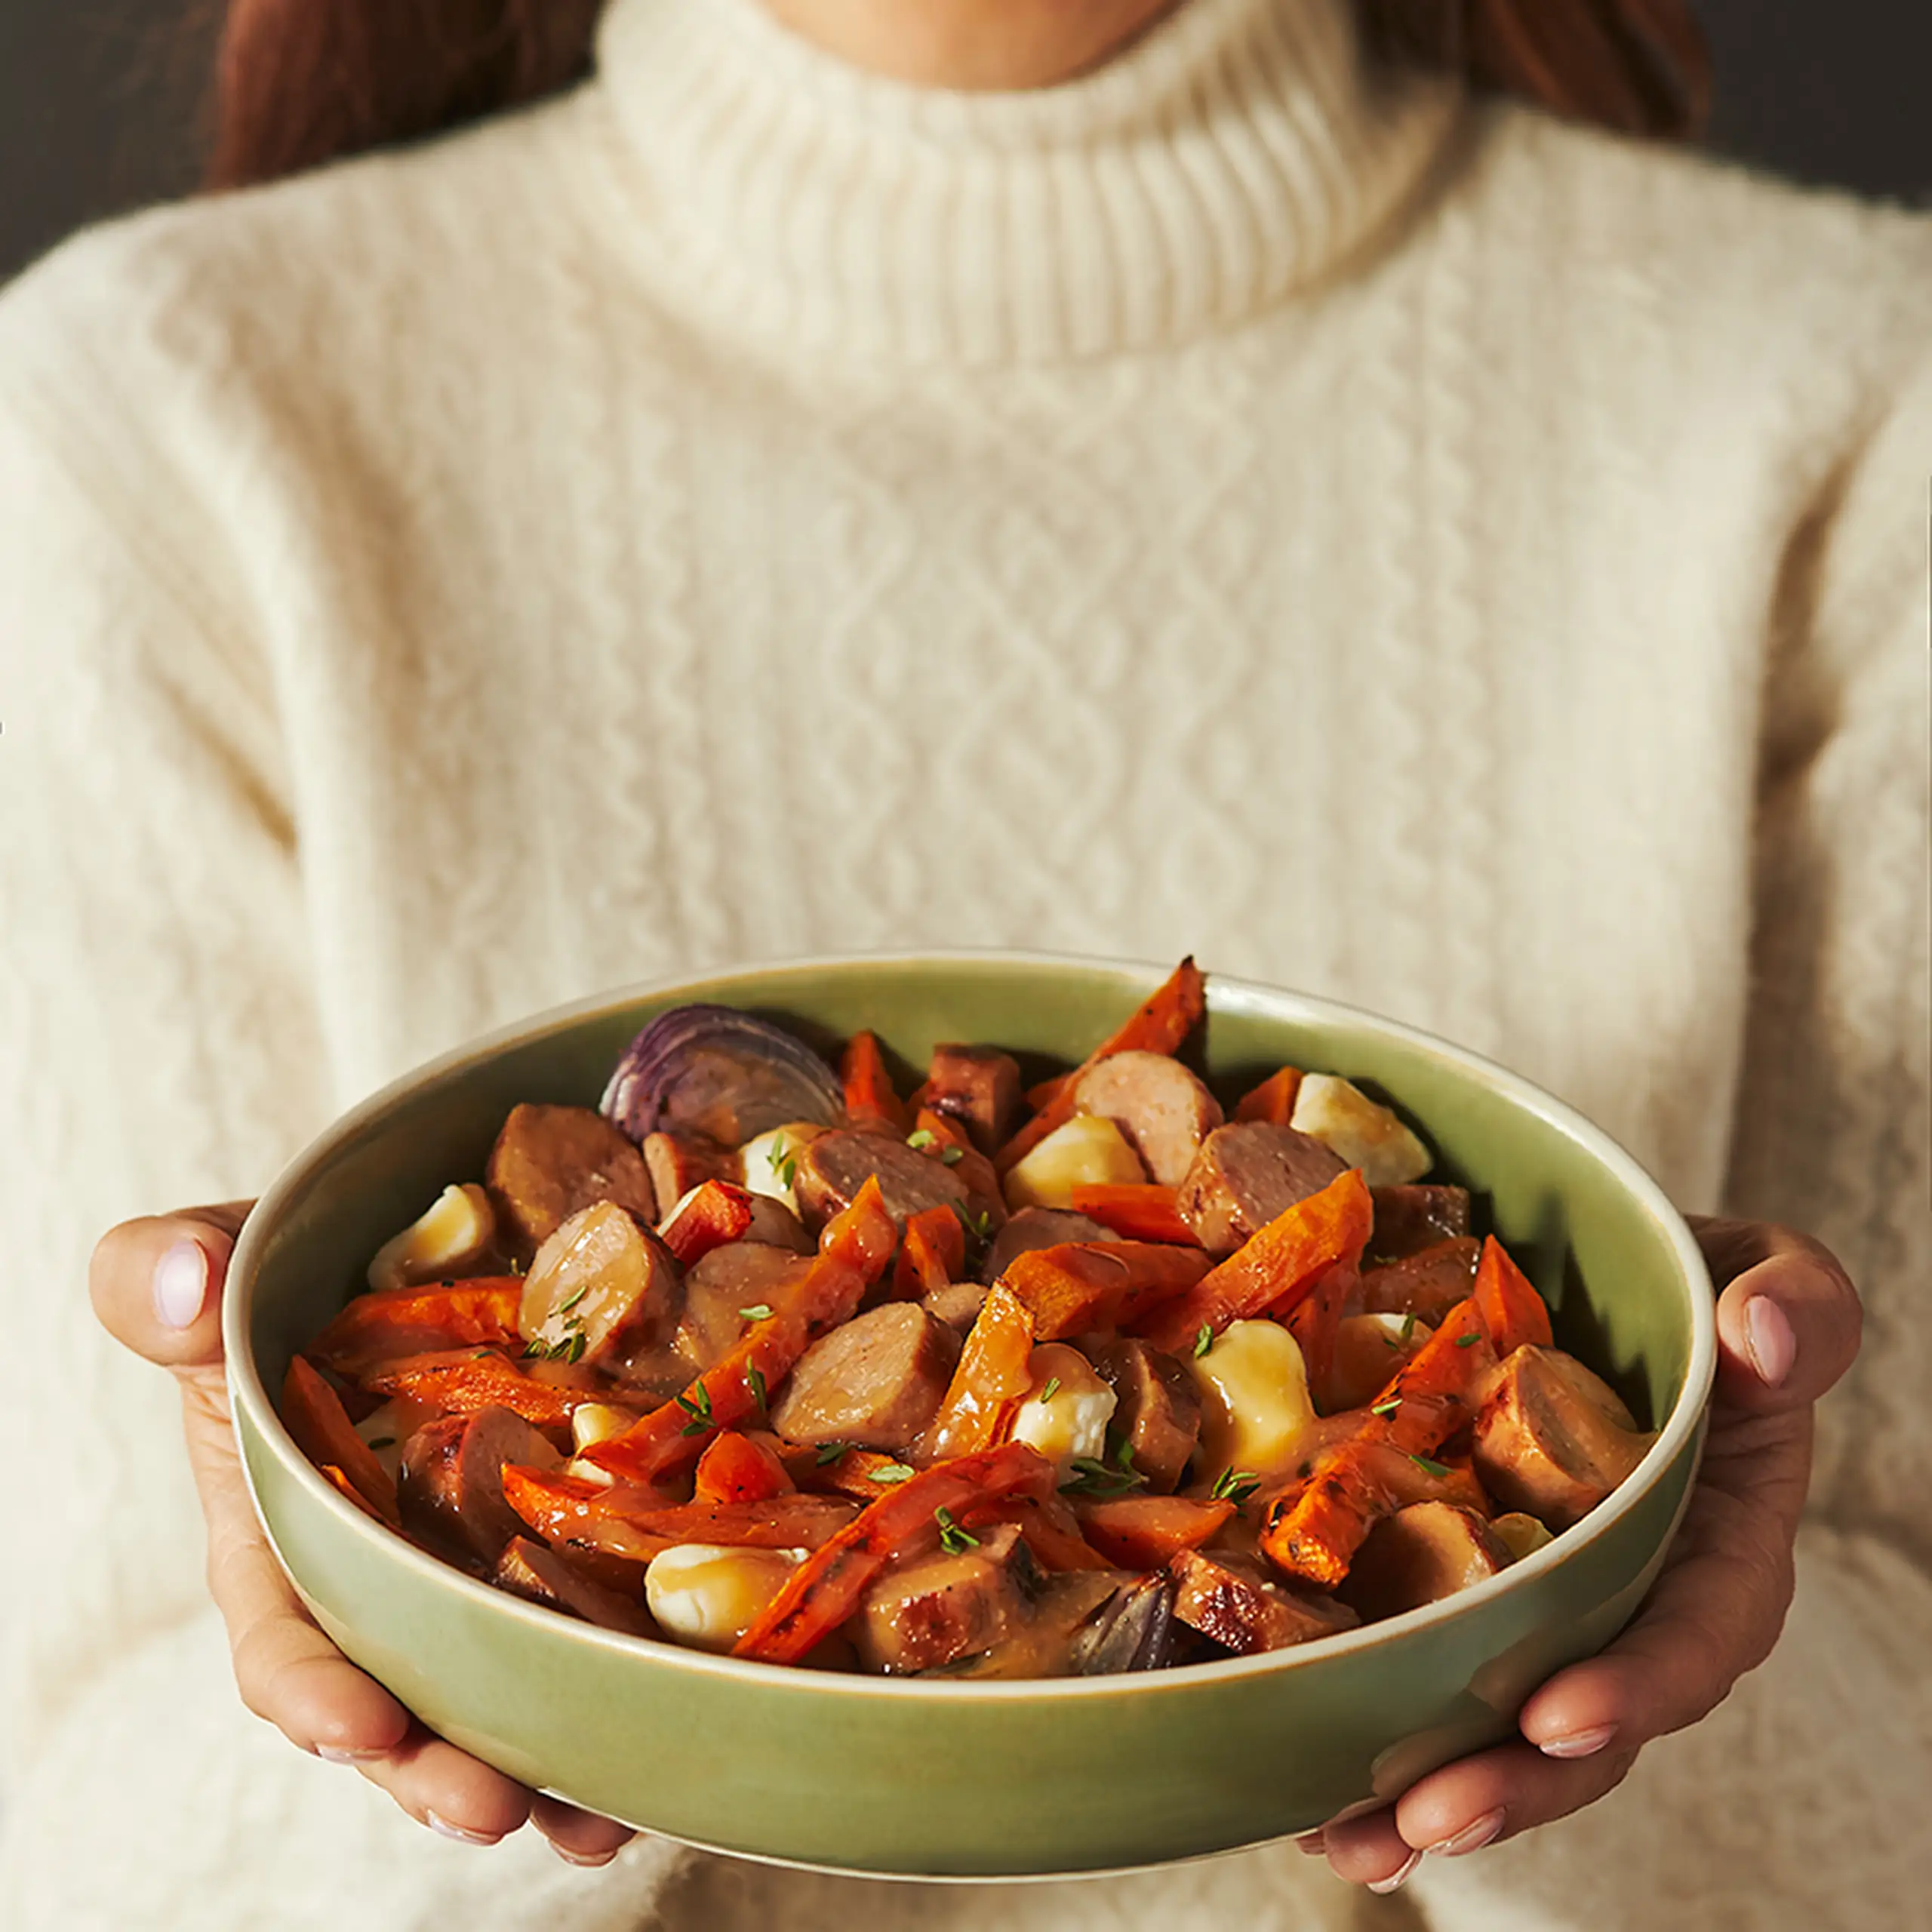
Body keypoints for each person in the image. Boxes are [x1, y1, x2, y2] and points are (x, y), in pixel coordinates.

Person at [0, 0, 1921, 1924]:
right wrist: (425, 1651)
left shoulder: (1851, 402)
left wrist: (1624, 1669)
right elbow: (71, 1813)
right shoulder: (151, 423)